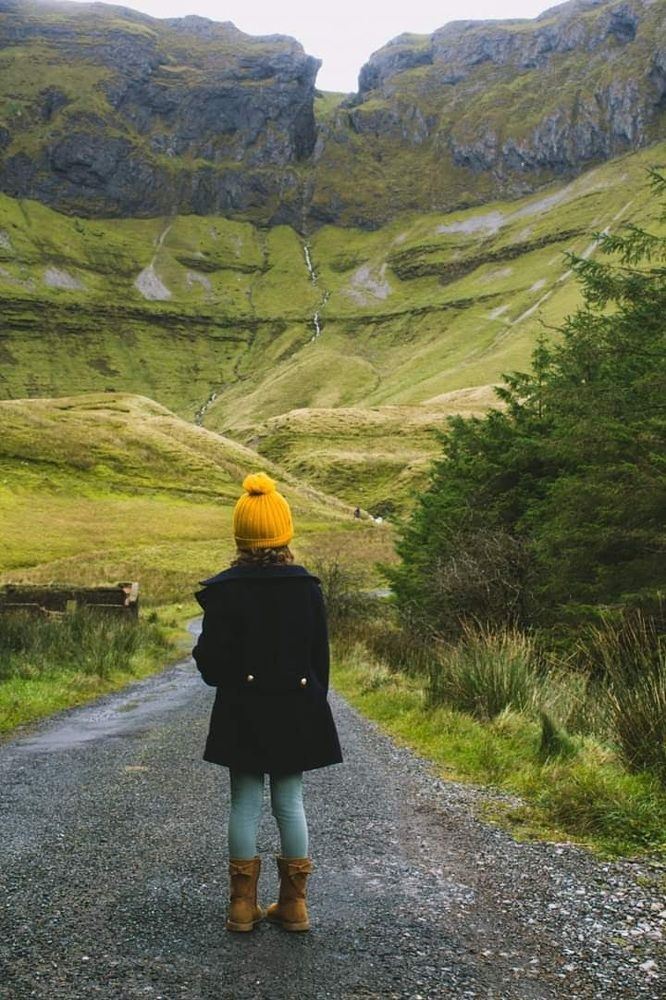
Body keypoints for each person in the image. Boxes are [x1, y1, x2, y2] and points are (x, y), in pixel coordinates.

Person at [192, 472, 343, 933]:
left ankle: (242, 907)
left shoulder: (225, 591)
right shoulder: (307, 588)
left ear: (241, 536)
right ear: (285, 532)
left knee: (243, 803)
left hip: (243, 709)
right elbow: (321, 661)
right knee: (290, 802)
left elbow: (211, 666)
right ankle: (294, 907)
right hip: (296, 707)